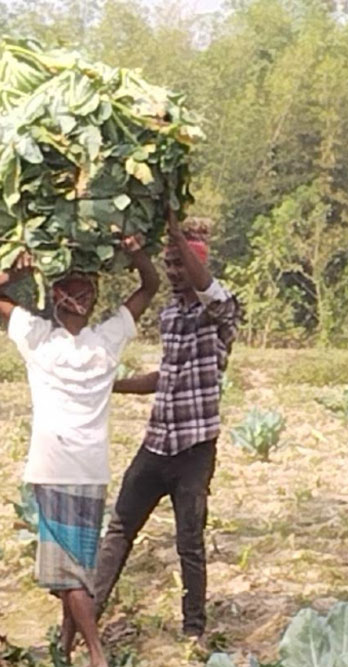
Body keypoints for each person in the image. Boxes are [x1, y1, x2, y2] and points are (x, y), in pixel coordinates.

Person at [0, 236, 159, 667]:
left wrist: (20, 270)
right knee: (77, 563)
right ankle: (65, 647)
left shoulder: (39, 340)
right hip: (92, 469)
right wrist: (135, 251)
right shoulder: (107, 340)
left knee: (68, 574)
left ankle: (97, 658)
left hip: (54, 466)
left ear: (56, 299)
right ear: (92, 300)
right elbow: (150, 285)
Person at [94, 212, 241, 642]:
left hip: (195, 448)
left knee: (189, 542)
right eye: (170, 264)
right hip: (157, 442)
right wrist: (110, 385)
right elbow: (166, 376)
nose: (175, 272)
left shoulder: (222, 311)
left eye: (181, 263)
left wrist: (176, 233)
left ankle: (194, 631)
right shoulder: (171, 313)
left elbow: (211, 292)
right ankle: (87, 616)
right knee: (119, 529)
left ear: (199, 262)